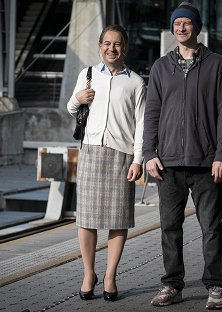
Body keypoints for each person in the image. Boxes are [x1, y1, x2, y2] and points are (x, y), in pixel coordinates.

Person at [142, 2, 222, 310]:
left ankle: (216, 287)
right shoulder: (160, 67)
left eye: (187, 23)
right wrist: (148, 153)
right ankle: (172, 285)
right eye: (177, 23)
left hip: (206, 162)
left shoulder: (216, 64)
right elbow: (151, 114)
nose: (181, 28)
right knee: (170, 227)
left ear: (197, 27)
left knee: (211, 228)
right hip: (167, 164)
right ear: (172, 28)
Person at [67, 24, 145, 302]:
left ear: (125, 48)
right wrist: (77, 98)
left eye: (117, 44)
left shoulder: (135, 82)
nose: (111, 49)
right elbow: (71, 108)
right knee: (86, 219)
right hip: (90, 151)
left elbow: (142, 126)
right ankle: (89, 273)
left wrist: (138, 160)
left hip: (121, 156)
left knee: (118, 219)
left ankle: (110, 276)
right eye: (106, 44)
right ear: (100, 46)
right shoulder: (86, 75)